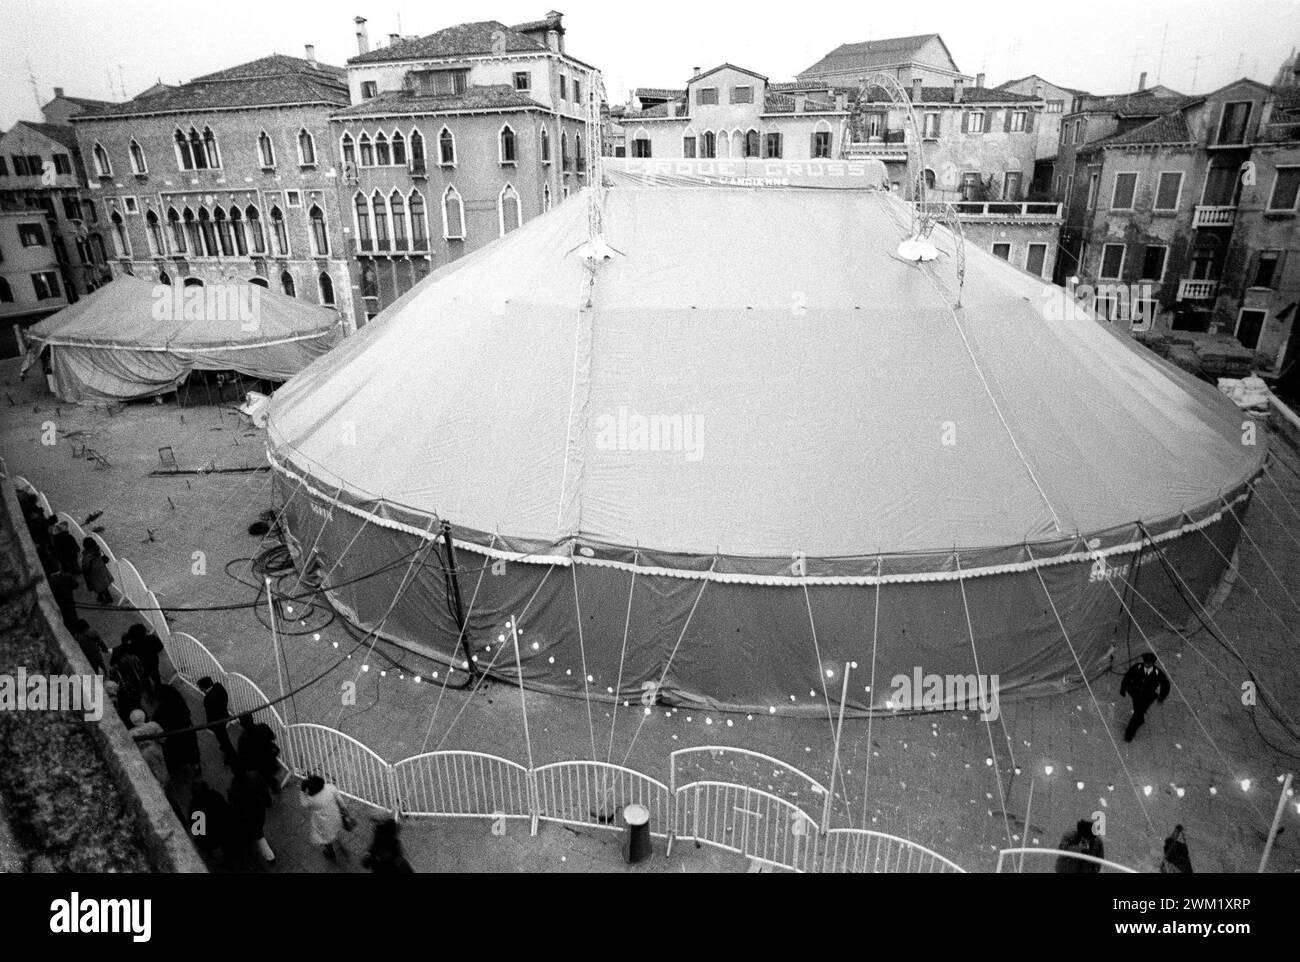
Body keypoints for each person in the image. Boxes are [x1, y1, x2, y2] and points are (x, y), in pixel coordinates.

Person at [227, 767, 276, 867]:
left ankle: (270, 857)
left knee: (258, 835)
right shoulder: (255, 776)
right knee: (258, 831)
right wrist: (267, 801)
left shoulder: (234, 787)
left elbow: (234, 805)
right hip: (259, 809)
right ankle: (269, 856)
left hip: (248, 815)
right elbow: (264, 789)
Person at [152, 682, 201, 776]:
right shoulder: (180, 704)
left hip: (173, 738)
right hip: (187, 734)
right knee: (192, 750)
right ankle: (196, 767)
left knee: (176, 752)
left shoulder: (161, 712)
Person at [1119, 652, 1171, 742]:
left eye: (1149, 664)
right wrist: (1123, 689)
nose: (1146, 665)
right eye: (1145, 663)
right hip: (1136, 694)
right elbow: (1127, 677)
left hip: (1148, 697)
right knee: (1138, 712)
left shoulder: (1157, 673)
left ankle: (1131, 730)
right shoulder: (1137, 667)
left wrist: (1162, 697)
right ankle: (1135, 725)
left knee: (1138, 712)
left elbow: (1166, 685)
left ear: (1152, 664)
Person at [299, 774, 350, 860]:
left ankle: (330, 852)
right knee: (335, 830)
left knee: (326, 838)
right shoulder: (330, 788)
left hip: (323, 823)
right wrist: (345, 811)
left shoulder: (312, 800)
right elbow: (341, 801)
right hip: (335, 816)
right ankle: (338, 841)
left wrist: (303, 792)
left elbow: (304, 803)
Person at [188, 780, 233, 860]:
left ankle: (209, 855)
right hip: (224, 832)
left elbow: (196, 830)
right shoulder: (215, 795)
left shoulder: (194, 807)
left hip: (209, 840)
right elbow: (226, 810)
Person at [196, 676, 237, 763]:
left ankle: (231, 756)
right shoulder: (219, 686)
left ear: (203, 687)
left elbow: (210, 715)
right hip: (224, 715)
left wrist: (210, 726)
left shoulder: (207, 699)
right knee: (223, 738)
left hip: (217, 722)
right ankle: (227, 751)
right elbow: (225, 697)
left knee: (223, 739)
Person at [237, 713, 282, 792]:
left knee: (264, 782)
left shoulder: (242, 739)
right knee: (269, 777)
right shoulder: (262, 727)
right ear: (252, 719)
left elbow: (242, 757)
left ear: (242, 724)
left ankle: (269, 794)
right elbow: (273, 736)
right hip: (269, 759)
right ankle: (275, 788)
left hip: (256, 766)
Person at [128, 708, 170, 789]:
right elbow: (163, 739)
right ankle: (163, 783)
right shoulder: (153, 725)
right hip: (156, 750)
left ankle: (157, 787)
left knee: (151, 771)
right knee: (160, 765)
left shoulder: (130, 733)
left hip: (143, 755)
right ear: (144, 716)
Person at [123, 624, 164, 693]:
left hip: (142, 663)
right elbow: (160, 647)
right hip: (154, 661)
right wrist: (154, 651)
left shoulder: (134, 644)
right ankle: (159, 691)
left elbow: (129, 652)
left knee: (144, 677)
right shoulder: (152, 638)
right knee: (156, 676)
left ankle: (149, 691)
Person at [81, 538, 114, 605]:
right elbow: (105, 559)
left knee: (101, 586)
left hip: (94, 573)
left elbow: (86, 564)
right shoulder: (97, 549)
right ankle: (101, 596)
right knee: (101, 585)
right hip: (101, 570)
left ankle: (108, 598)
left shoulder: (89, 554)